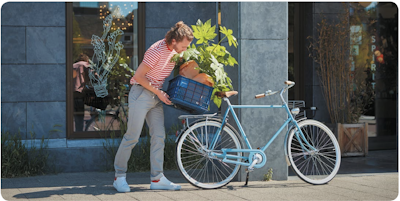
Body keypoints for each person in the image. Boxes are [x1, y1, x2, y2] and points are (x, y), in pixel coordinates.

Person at [113, 21, 194, 192]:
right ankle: (118, 176)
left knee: (159, 137)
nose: (185, 49)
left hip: (155, 95)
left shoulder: (174, 52)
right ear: (174, 41)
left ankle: (157, 179)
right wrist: (158, 92)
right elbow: (139, 76)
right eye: (184, 46)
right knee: (132, 136)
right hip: (141, 93)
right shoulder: (156, 50)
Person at [73, 53, 90, 131]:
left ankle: (75, 132)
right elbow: (94, 76)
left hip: (71, 93)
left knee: (75, 115)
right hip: (79, 93)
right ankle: (79, 133)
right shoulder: (85, 64)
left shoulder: (73, 65)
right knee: (79, 115)